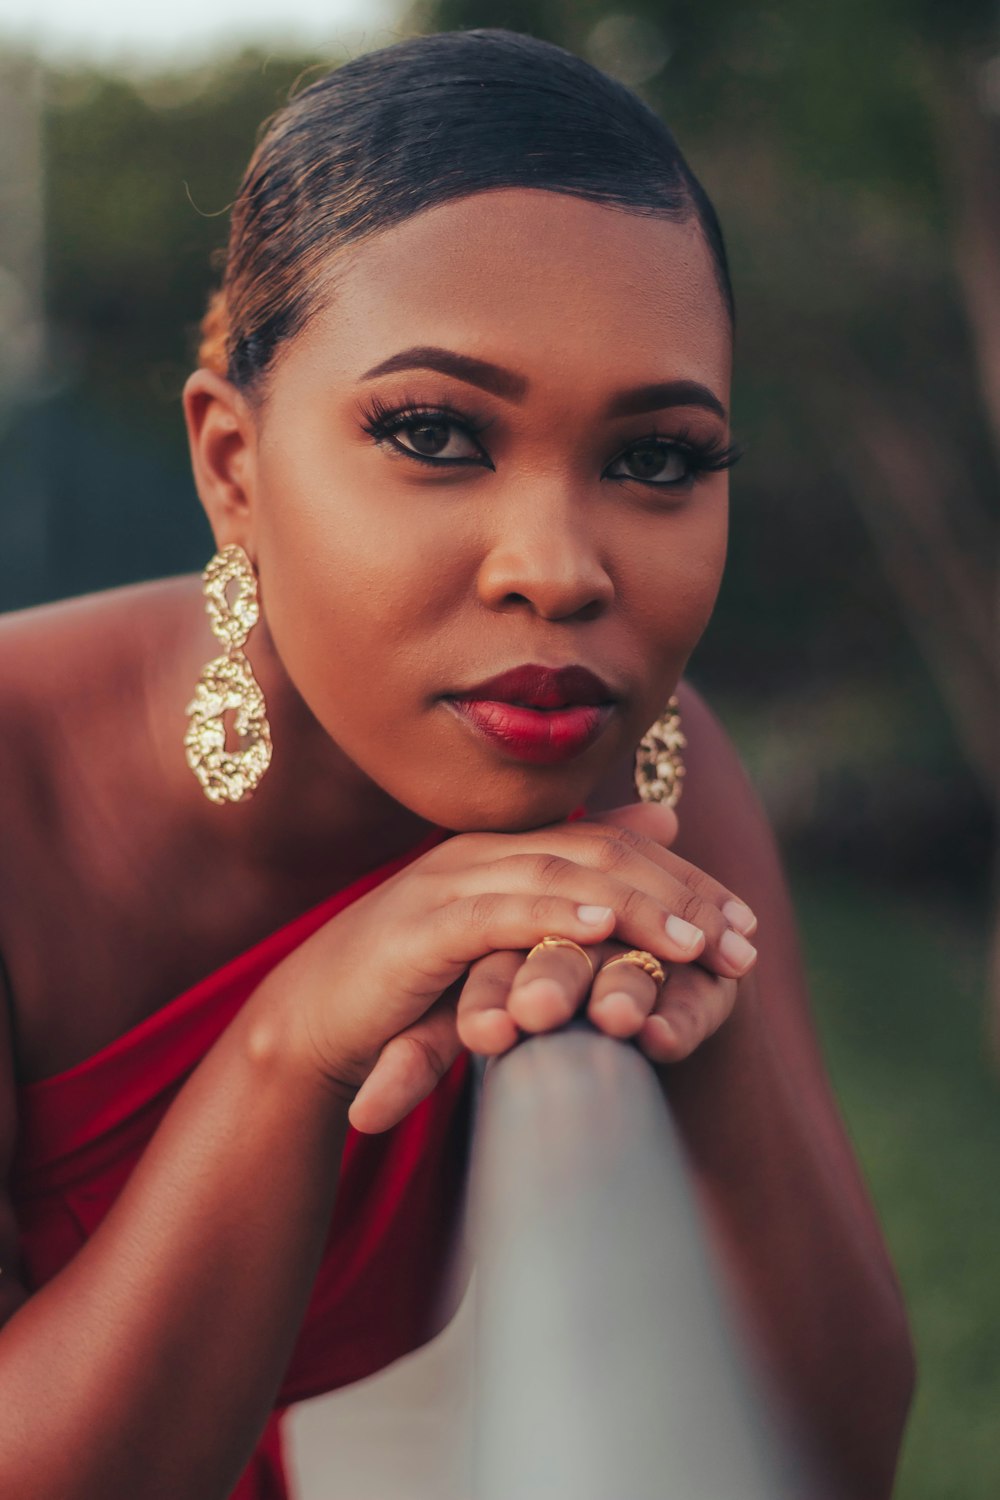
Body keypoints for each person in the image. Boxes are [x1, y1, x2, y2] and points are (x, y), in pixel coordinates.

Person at [0, 27, 913, 1500]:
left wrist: (701, 1005)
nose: (557, 571)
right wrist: (292, 1047)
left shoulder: (652, 794)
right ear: (232, 462)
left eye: (659, 456)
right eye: (435, 432)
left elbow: (835, 1455)